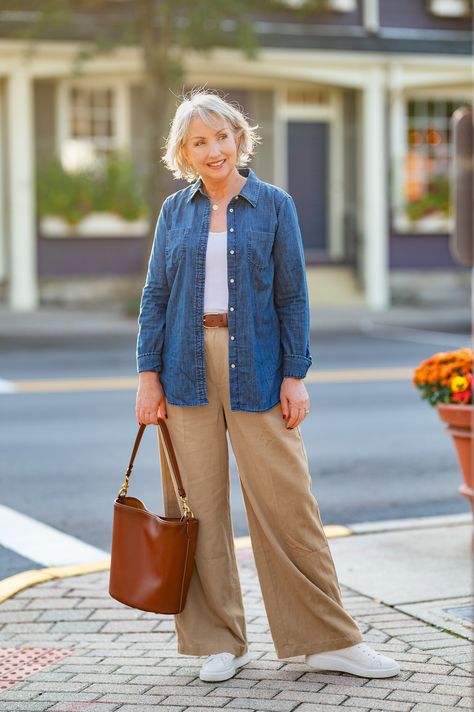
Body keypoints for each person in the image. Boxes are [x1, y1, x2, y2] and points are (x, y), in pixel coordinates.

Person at [135, 89, 400, 683]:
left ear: (238, 139)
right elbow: (154, 297)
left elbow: (293, 296)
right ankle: (218, 640)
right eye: (198, 142)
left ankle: (327, 639)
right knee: (195, 510)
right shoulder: (174, 213)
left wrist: (295, 374)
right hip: (183, 366)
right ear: (183, 152)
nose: (213, 149)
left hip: (258, 359)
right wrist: (147, 377)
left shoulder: (274, 205)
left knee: (289, 504)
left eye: (221, 137)